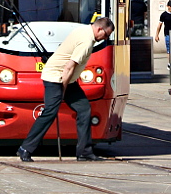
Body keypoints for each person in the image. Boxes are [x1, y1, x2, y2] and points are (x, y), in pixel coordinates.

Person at [16, 16, 115, 162]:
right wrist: (63, 89)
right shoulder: (86, 42)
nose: (105, 38)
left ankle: (84, 152)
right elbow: (69, 67)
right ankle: (25, 148)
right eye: (105, 35)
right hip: (57, 78)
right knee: (50, 112)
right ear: (99, 29)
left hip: (67, 79)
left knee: (84, 110)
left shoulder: (83, 30)